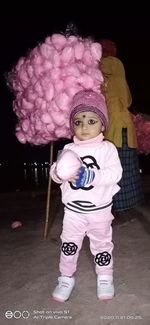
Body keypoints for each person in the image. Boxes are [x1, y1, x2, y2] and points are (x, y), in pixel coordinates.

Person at [50, 89, 122, 302]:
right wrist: (58, 172)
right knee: (69, 244)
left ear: (103, 124)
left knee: (102, 245)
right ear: (72, 125)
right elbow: (55, 173)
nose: (84, 127)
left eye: (92, 121)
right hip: (73, 213)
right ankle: (66, 277)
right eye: (78, 121)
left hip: (100, 212)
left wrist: (91, 175)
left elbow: (114, 173)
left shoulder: (107, 149)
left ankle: (105, 276)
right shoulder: (68, 148)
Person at [100, 39, 144, 212]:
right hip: (123, 125)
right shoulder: (116, 65)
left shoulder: (99, 74)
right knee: (126, 166)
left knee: (112, 167)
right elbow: (127, 99)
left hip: (112, 126)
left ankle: (115, 204)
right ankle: (128, 204)